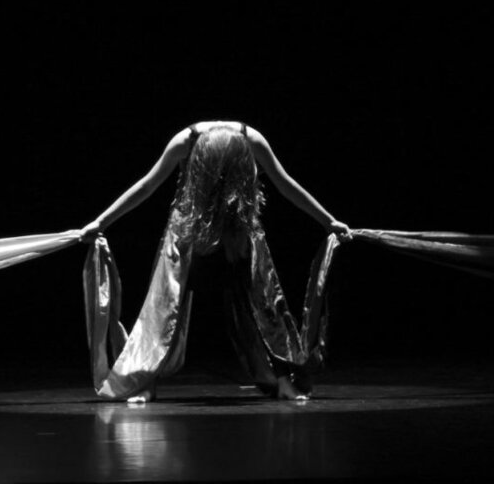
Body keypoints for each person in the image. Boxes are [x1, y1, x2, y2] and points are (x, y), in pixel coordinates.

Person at [80, 120, 352, 401]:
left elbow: (285, 184)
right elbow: (147, 185)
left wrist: (328, 220)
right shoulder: (184, 142)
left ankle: (284, 380)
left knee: (264, 302)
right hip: (191, 224)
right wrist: (101, 221)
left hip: (237, 224)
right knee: (164, 305)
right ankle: (146, 382)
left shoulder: (253, 140)